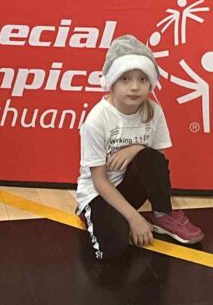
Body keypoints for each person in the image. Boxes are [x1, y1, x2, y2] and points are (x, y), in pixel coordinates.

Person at [76, 35, 204, 261]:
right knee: (114, 251)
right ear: (111, 82)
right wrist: (134, 218)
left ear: (151, 83)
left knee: (150, 157)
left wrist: (136, 148)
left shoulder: (154, 111)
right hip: (99, 194)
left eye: (142, 79)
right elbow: (99, 180)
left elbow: (156, 162)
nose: (135, 87)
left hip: (127, 189)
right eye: (125, 79)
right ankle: (97, 217)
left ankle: (163, 215)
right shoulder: (97, 120)